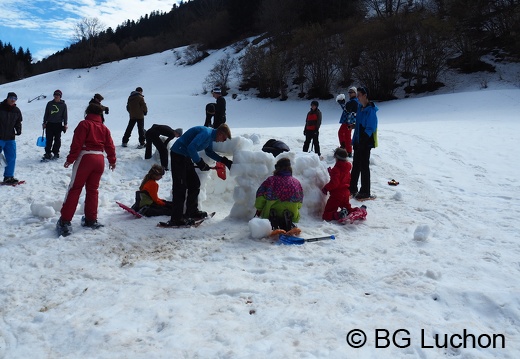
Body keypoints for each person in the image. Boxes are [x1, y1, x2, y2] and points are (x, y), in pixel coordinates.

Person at [56, 103, 116, 237]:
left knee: (75, 188)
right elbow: (110, 146)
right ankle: (91, 219)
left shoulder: (84, 124)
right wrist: (112, 161)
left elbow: (77, 143)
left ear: (88, 112)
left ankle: (65, 221)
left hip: (85, 157)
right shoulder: (104, 128)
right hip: (99, 159)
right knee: (93, 190)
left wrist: (70, 159)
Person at [162, 124, 233, 227]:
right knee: (180, 187)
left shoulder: (210, 137)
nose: (223, 141)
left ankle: (192, 211)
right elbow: (192, 147)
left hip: (185, 156)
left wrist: (224, 161)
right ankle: (176, 219)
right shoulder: (206, 133)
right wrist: (199, 162)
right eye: (224, 138)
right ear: (220, 133)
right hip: (178, 155)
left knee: (194, 183)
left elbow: (209, 152)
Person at [255, 158, 303, 231]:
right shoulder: (296, 182)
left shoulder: (270, 181)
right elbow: (299, 203)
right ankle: (288, 218)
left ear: (277, 168)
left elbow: (260, 197)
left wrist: (259, 209)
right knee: (291, 208)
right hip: (292, 212)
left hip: (270, 212)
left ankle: (273, 218)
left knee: (270, 205)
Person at [350, 86, 378, 200]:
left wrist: (363, 139)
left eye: (359, 95)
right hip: (358, 140)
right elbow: (359, 124)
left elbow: (371, 127)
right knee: (356, 165)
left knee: (364, 166)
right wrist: (353, 126)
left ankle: (365, 191)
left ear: (365, 95)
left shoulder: (370, 110)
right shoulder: (360, 108)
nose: (358, 98)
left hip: (365, 142)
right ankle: (352, 188)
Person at [322, 148, 354, 221]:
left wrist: (326, 188)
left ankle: (339, 215)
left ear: (336, 158)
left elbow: (335, 183)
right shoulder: (347, 168)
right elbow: (343, 178)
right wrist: (332, 173)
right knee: (347, 208)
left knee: (327, 215)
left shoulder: (336, 169)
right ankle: (356, 211)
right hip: (346, 193)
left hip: (336, 195)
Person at [0, 92, 22, 184]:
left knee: (11, 157)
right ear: (7, 98)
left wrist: (18, 129)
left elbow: (18, 122)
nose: (13, 100)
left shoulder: (16, 110)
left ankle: (8, 177)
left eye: (15, 98)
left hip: (10, 138)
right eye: (11, 98)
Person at [42, 89, 68, 160]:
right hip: (49, 124)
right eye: (55, 95)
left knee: (57, 139)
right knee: (49, 139)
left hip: (58, 124)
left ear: (60, 96)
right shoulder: (49, 104)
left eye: (58, 95)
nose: (56, 96)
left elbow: (65, 115)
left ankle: (56, 152)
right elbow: (46, 114)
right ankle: (47, 153)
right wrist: (44, 122)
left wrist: (65, 124)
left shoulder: (63, 105)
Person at [337, 86, 359, 157]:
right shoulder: (352, 101)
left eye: (351, 92)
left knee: (347, 135)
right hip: (346, 121)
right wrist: (343, 104)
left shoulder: (354, 101)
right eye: (349, 92)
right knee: (341, 133)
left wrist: (342, 104)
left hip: (349, 121)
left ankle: (348, 151)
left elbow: (348, 110)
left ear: (355, 93)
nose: (350, 93)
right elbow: (346, 109)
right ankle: (344, 147)